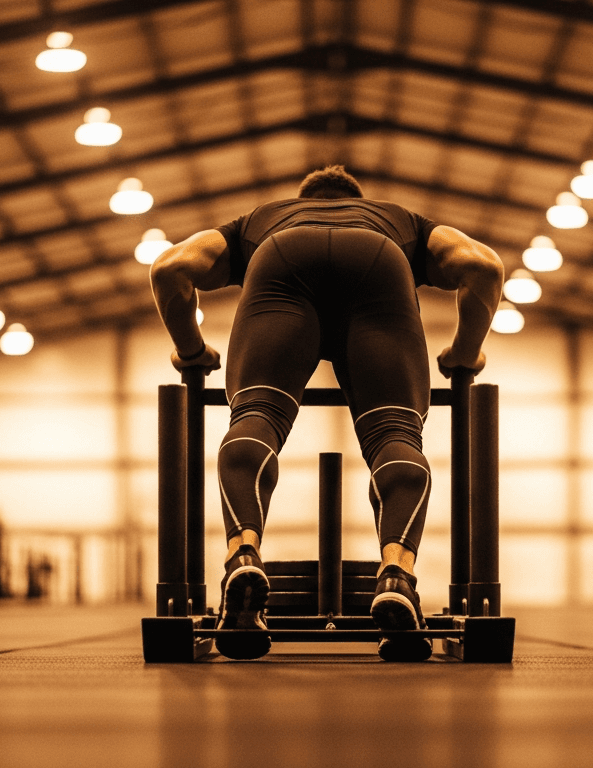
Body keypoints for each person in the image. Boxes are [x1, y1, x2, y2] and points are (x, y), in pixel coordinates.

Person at [149, 166, 503, 661]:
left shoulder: (259, 221)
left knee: (255, 417)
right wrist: (464, 353)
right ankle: (397, 574)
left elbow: (169, 269)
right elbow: (483, 266)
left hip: (280, 259)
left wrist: (192, 352)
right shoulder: (400, 221)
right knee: (396, 434)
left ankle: (243, 555)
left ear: (303, 198)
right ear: (356, 198)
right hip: (380, 263)